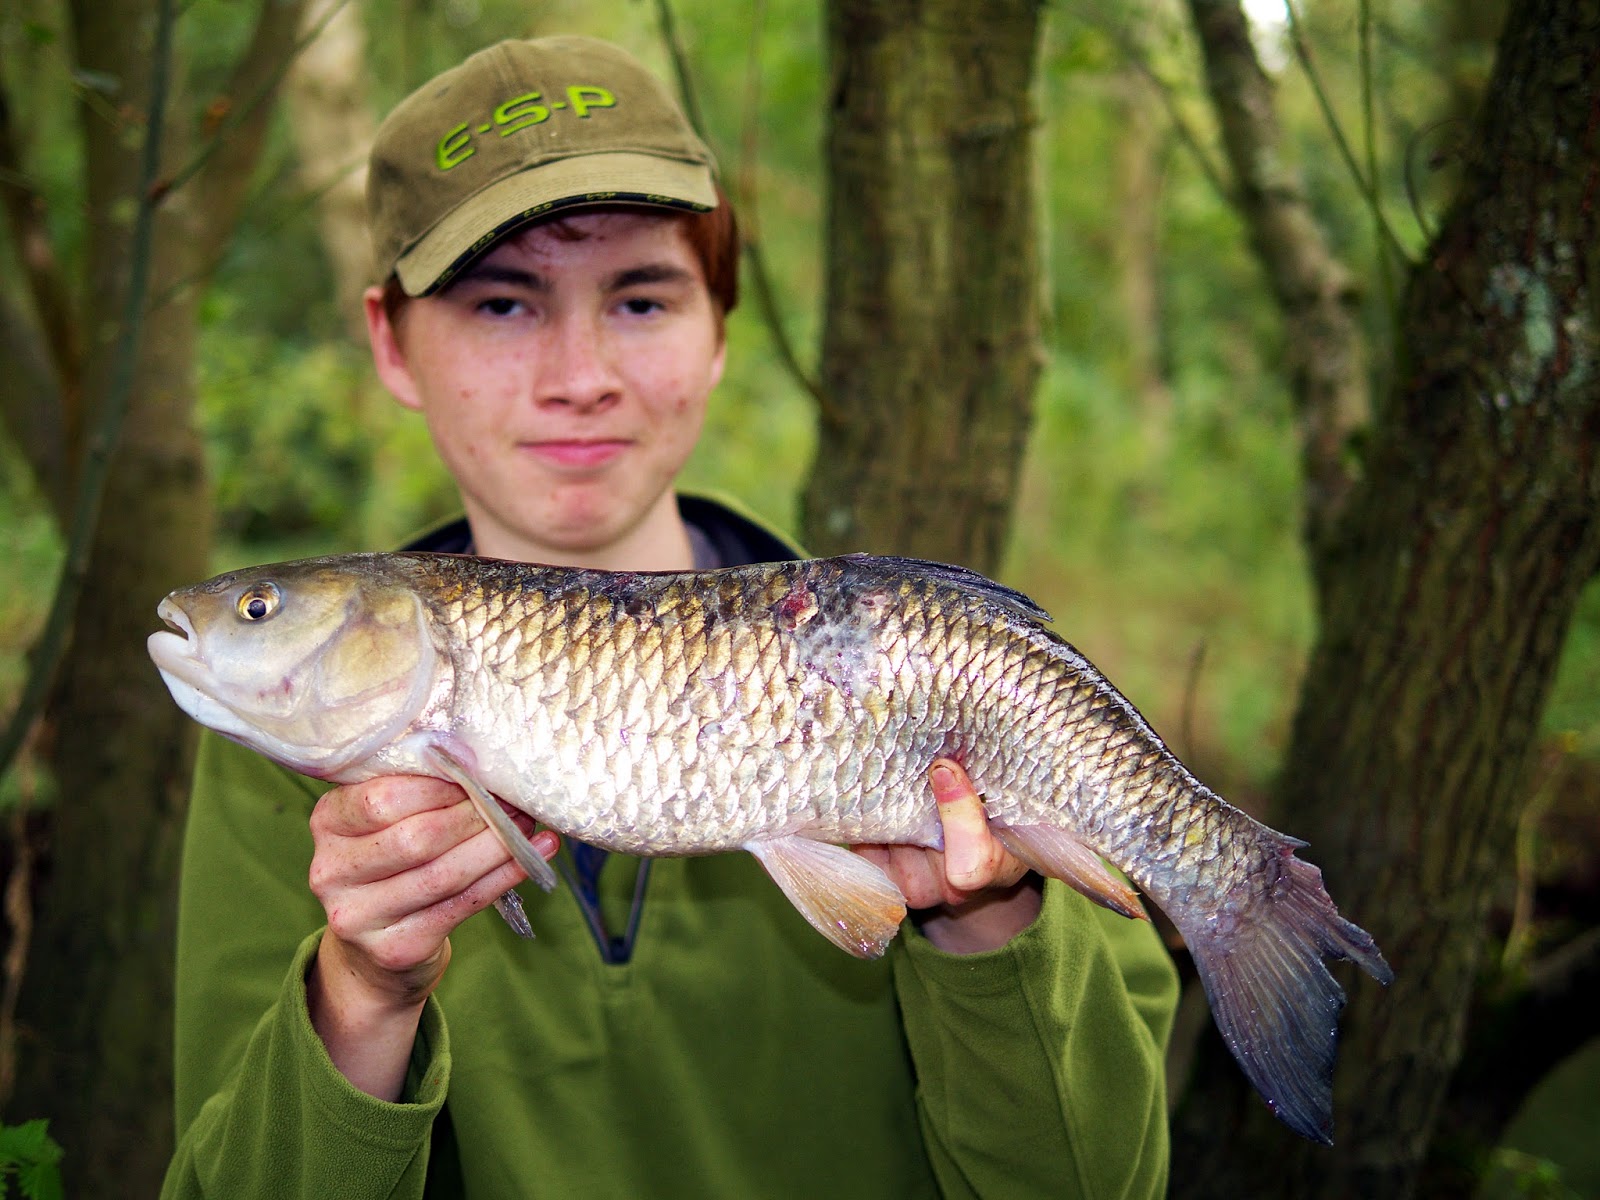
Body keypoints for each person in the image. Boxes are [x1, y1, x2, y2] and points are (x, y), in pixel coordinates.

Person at [161, 34, 1178, 1199]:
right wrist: (361, 994)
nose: (579, 373)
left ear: (719, 326)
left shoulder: (932, 667)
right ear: (391, 342)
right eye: (503, 303)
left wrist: (984, 916)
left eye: (640, 298)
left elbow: (1102, 1183)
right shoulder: (286, 751)